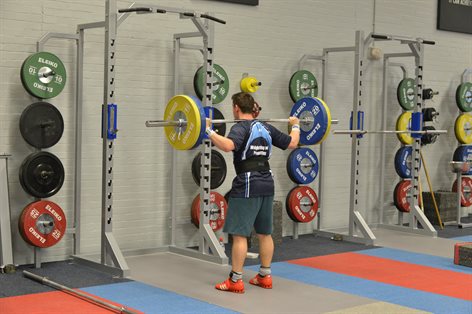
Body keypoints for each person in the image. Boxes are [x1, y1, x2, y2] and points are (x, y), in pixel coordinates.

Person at [205, 92, 300, 293]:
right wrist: (296, 124)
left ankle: (235, 280)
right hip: (267, 182)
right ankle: (265, 276)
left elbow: (228, 146)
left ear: (236, 108)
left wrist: (209, 132)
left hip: (247, 183)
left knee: (240, 235)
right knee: (265, 233)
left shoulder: (240, 127)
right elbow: (292, 142)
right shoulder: (266, 127)